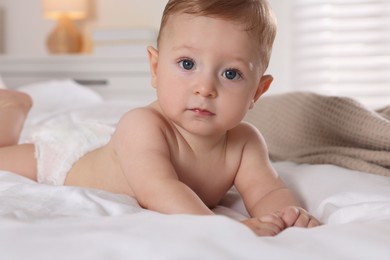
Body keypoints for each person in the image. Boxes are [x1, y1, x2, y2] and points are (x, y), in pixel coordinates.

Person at [0, 0, 320, 236]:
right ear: (155, 68)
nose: (205, 88)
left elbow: (267, 191)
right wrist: (225, 228)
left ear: (257, 92)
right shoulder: (142, 125)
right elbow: (158, 189)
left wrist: (287, 218)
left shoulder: (245, 143)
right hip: (69, 160)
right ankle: (12, 110)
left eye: (231, 73)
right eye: (186, 64)